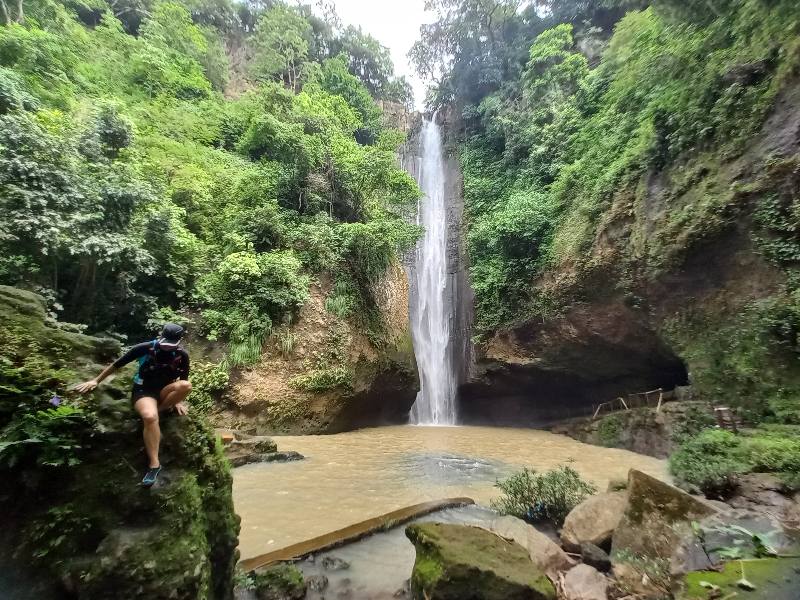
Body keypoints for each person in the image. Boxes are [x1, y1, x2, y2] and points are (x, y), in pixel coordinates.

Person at [76, 323, 192, 486]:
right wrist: (95, 380)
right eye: (165, 344)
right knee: (149, 417)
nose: (167, 348)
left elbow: (183, 379)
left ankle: (161, 409)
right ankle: (154, 464)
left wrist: (178, 400)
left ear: (179, 341)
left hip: (164, 391)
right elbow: (117, 364)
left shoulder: (182, 355)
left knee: (186, 386)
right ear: (161, 337)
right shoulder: (145, 348)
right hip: (144, 390)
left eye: (170, 345)